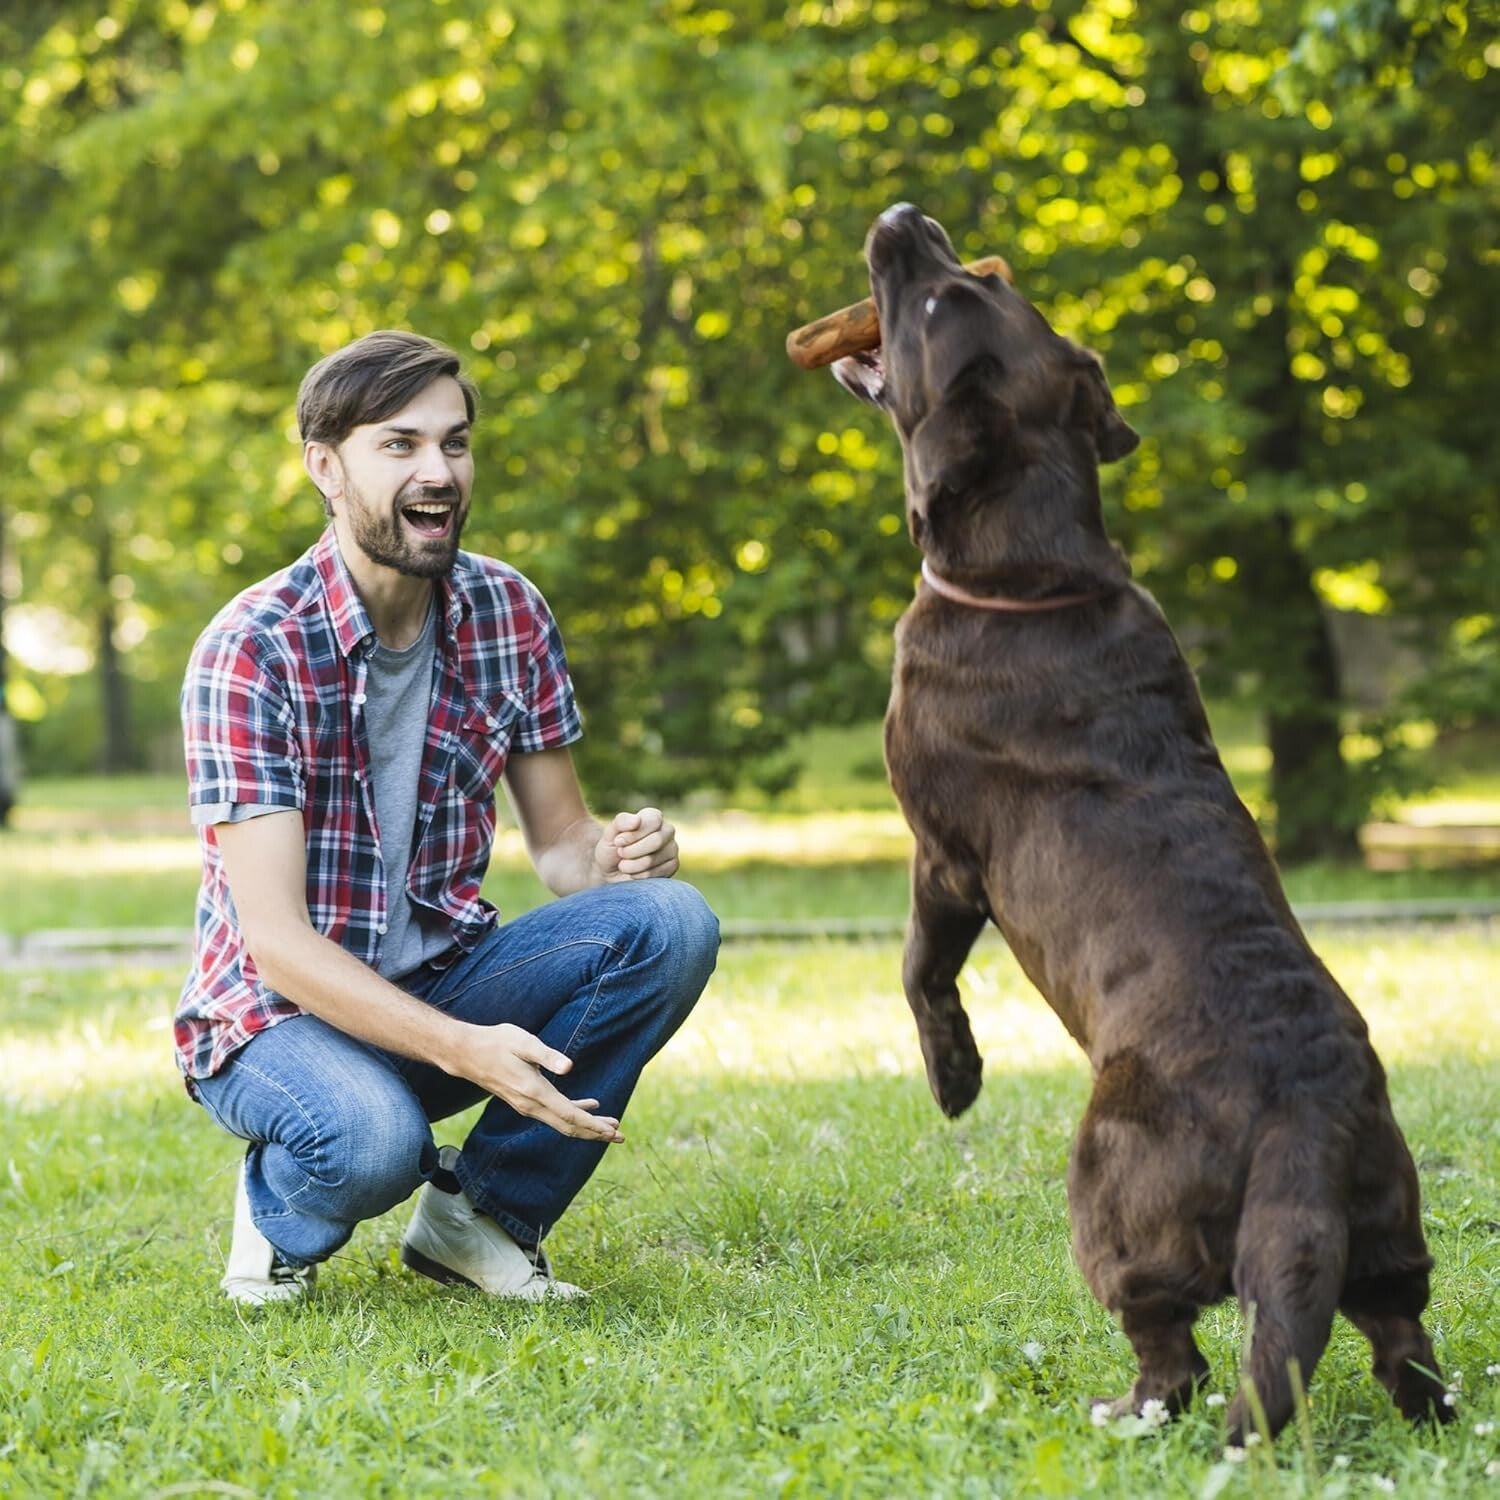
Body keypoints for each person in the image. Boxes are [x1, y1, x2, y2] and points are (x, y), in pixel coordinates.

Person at [177, 330, 719, 1306]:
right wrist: (465, 1049)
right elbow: (276, 944)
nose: (439, 472)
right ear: (325, 467)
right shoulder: (253, 649)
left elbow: (562, 846)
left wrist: (617, 856)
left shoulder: (508, 610)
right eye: (401, 444)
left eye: (454, 443)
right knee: (373, 1144)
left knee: (671, 923)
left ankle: (485, 1218)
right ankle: (278, 1203)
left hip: (441, 983)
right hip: (275, 1019)